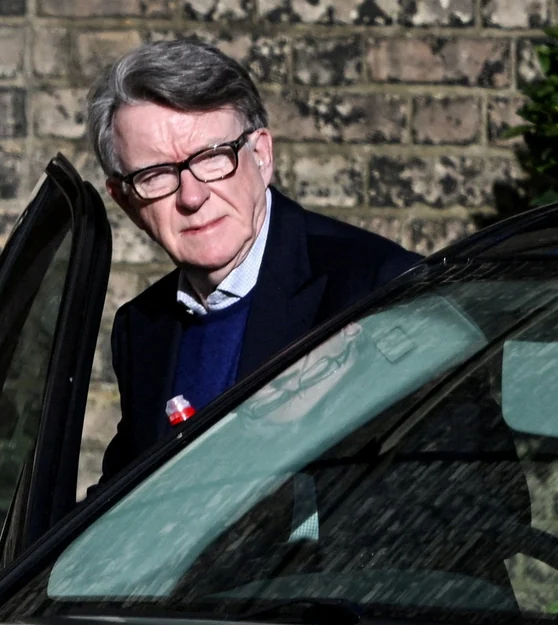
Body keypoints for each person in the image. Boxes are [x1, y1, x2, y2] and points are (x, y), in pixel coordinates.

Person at [87, 39, 422, 481]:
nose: (192, 196)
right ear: (126, 200)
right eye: (157, 175)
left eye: (212, 158)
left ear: (261, 156)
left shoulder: (377, 288)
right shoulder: (142, 329)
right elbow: (125, 503)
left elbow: (474, 492)